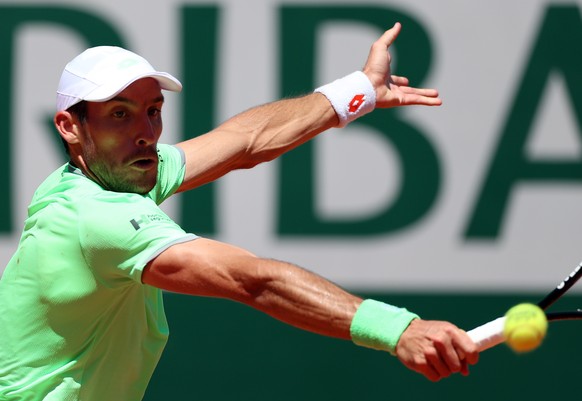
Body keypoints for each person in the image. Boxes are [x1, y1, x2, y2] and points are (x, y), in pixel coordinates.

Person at [0, 23, 478, 400]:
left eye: (153, 110)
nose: (146, 131)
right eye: (120, 114)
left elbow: (245, 142)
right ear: (69, 127)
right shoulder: (95, 219)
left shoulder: (109, 170)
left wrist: (357, 91)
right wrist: (399, 329)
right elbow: (251, 280)